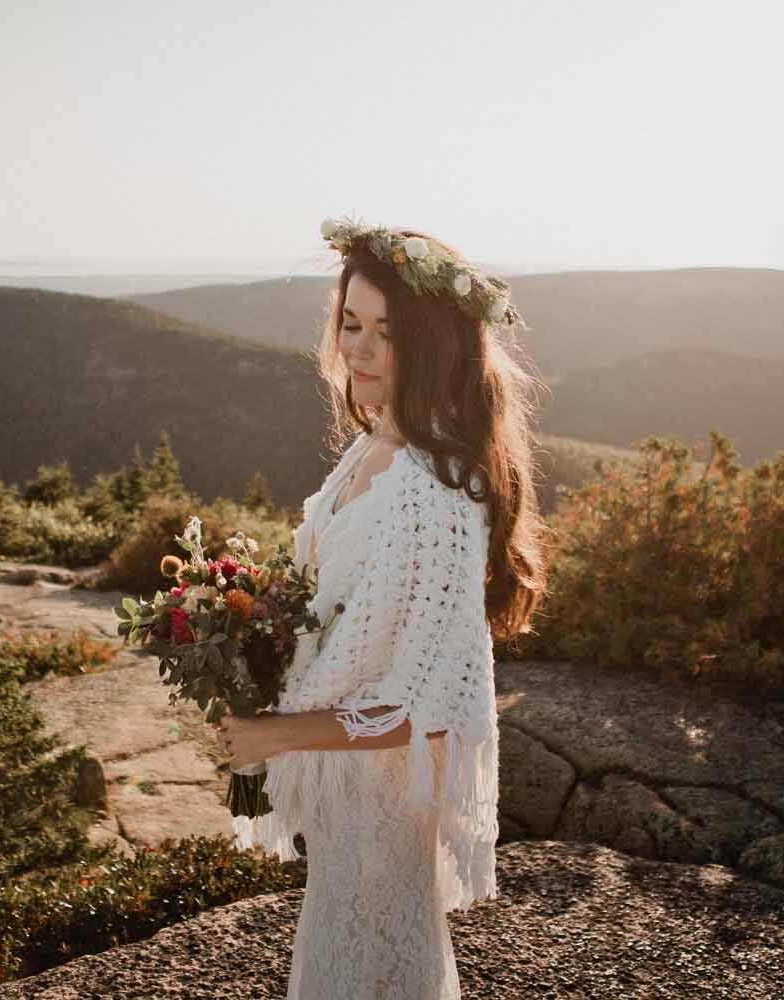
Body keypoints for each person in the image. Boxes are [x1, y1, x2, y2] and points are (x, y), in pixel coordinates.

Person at [213, 216, 549, 999]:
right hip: (339, 801)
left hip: (384, 809)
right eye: (350, 323)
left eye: (385, 333)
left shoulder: (435, 492)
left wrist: (274, 732)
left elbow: (421, 709)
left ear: (429, 347)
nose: (356, 347)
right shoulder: (372, 450)